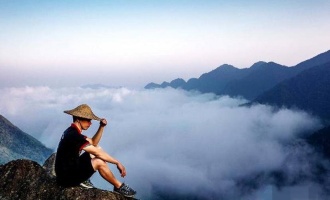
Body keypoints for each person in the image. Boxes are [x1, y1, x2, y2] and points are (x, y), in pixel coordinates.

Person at [55, 104, 136, 197]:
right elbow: (97, 153)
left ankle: (84, 178)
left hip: (66, 172)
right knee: (98, 161)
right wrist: (117, 162)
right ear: (78, 119)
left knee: (97, 149)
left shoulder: (71, 131)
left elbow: (93, 143)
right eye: (88, 120)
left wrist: (101, 127)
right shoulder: (75, 136)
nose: (90, 123)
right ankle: (119, 186)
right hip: (67, 178)